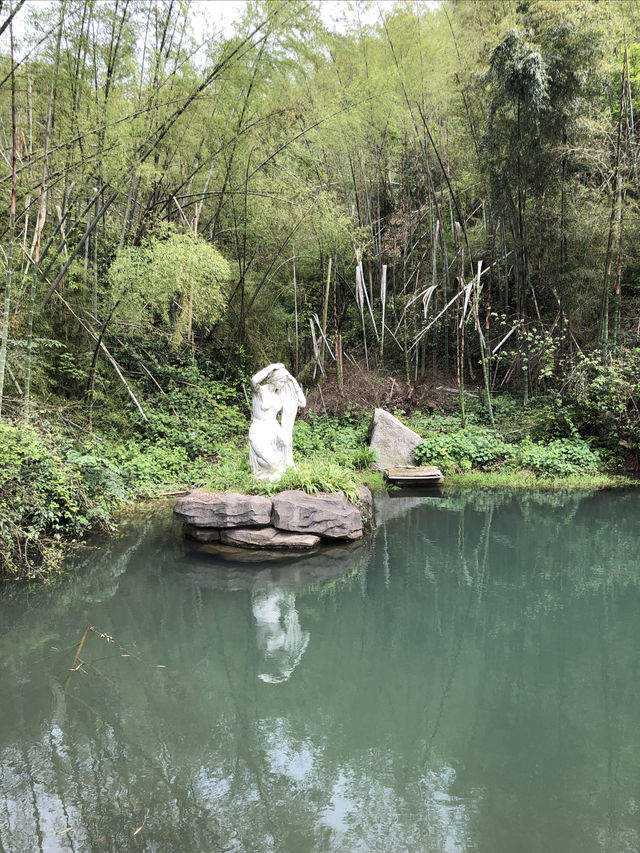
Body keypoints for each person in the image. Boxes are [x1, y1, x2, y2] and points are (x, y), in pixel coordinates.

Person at [248, 363, 306, 480]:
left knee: (286, 442)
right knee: (274, 462)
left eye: (285, 382)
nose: (284, 384)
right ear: (274, 379)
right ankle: (265, 474)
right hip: (259, 429)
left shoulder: (279, 394)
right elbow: (253, 380)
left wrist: (292, 380)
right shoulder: (259, 392)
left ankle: (275, 474)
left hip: (274, 428)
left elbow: (302, 403)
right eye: (282, 381)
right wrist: (272, 367)